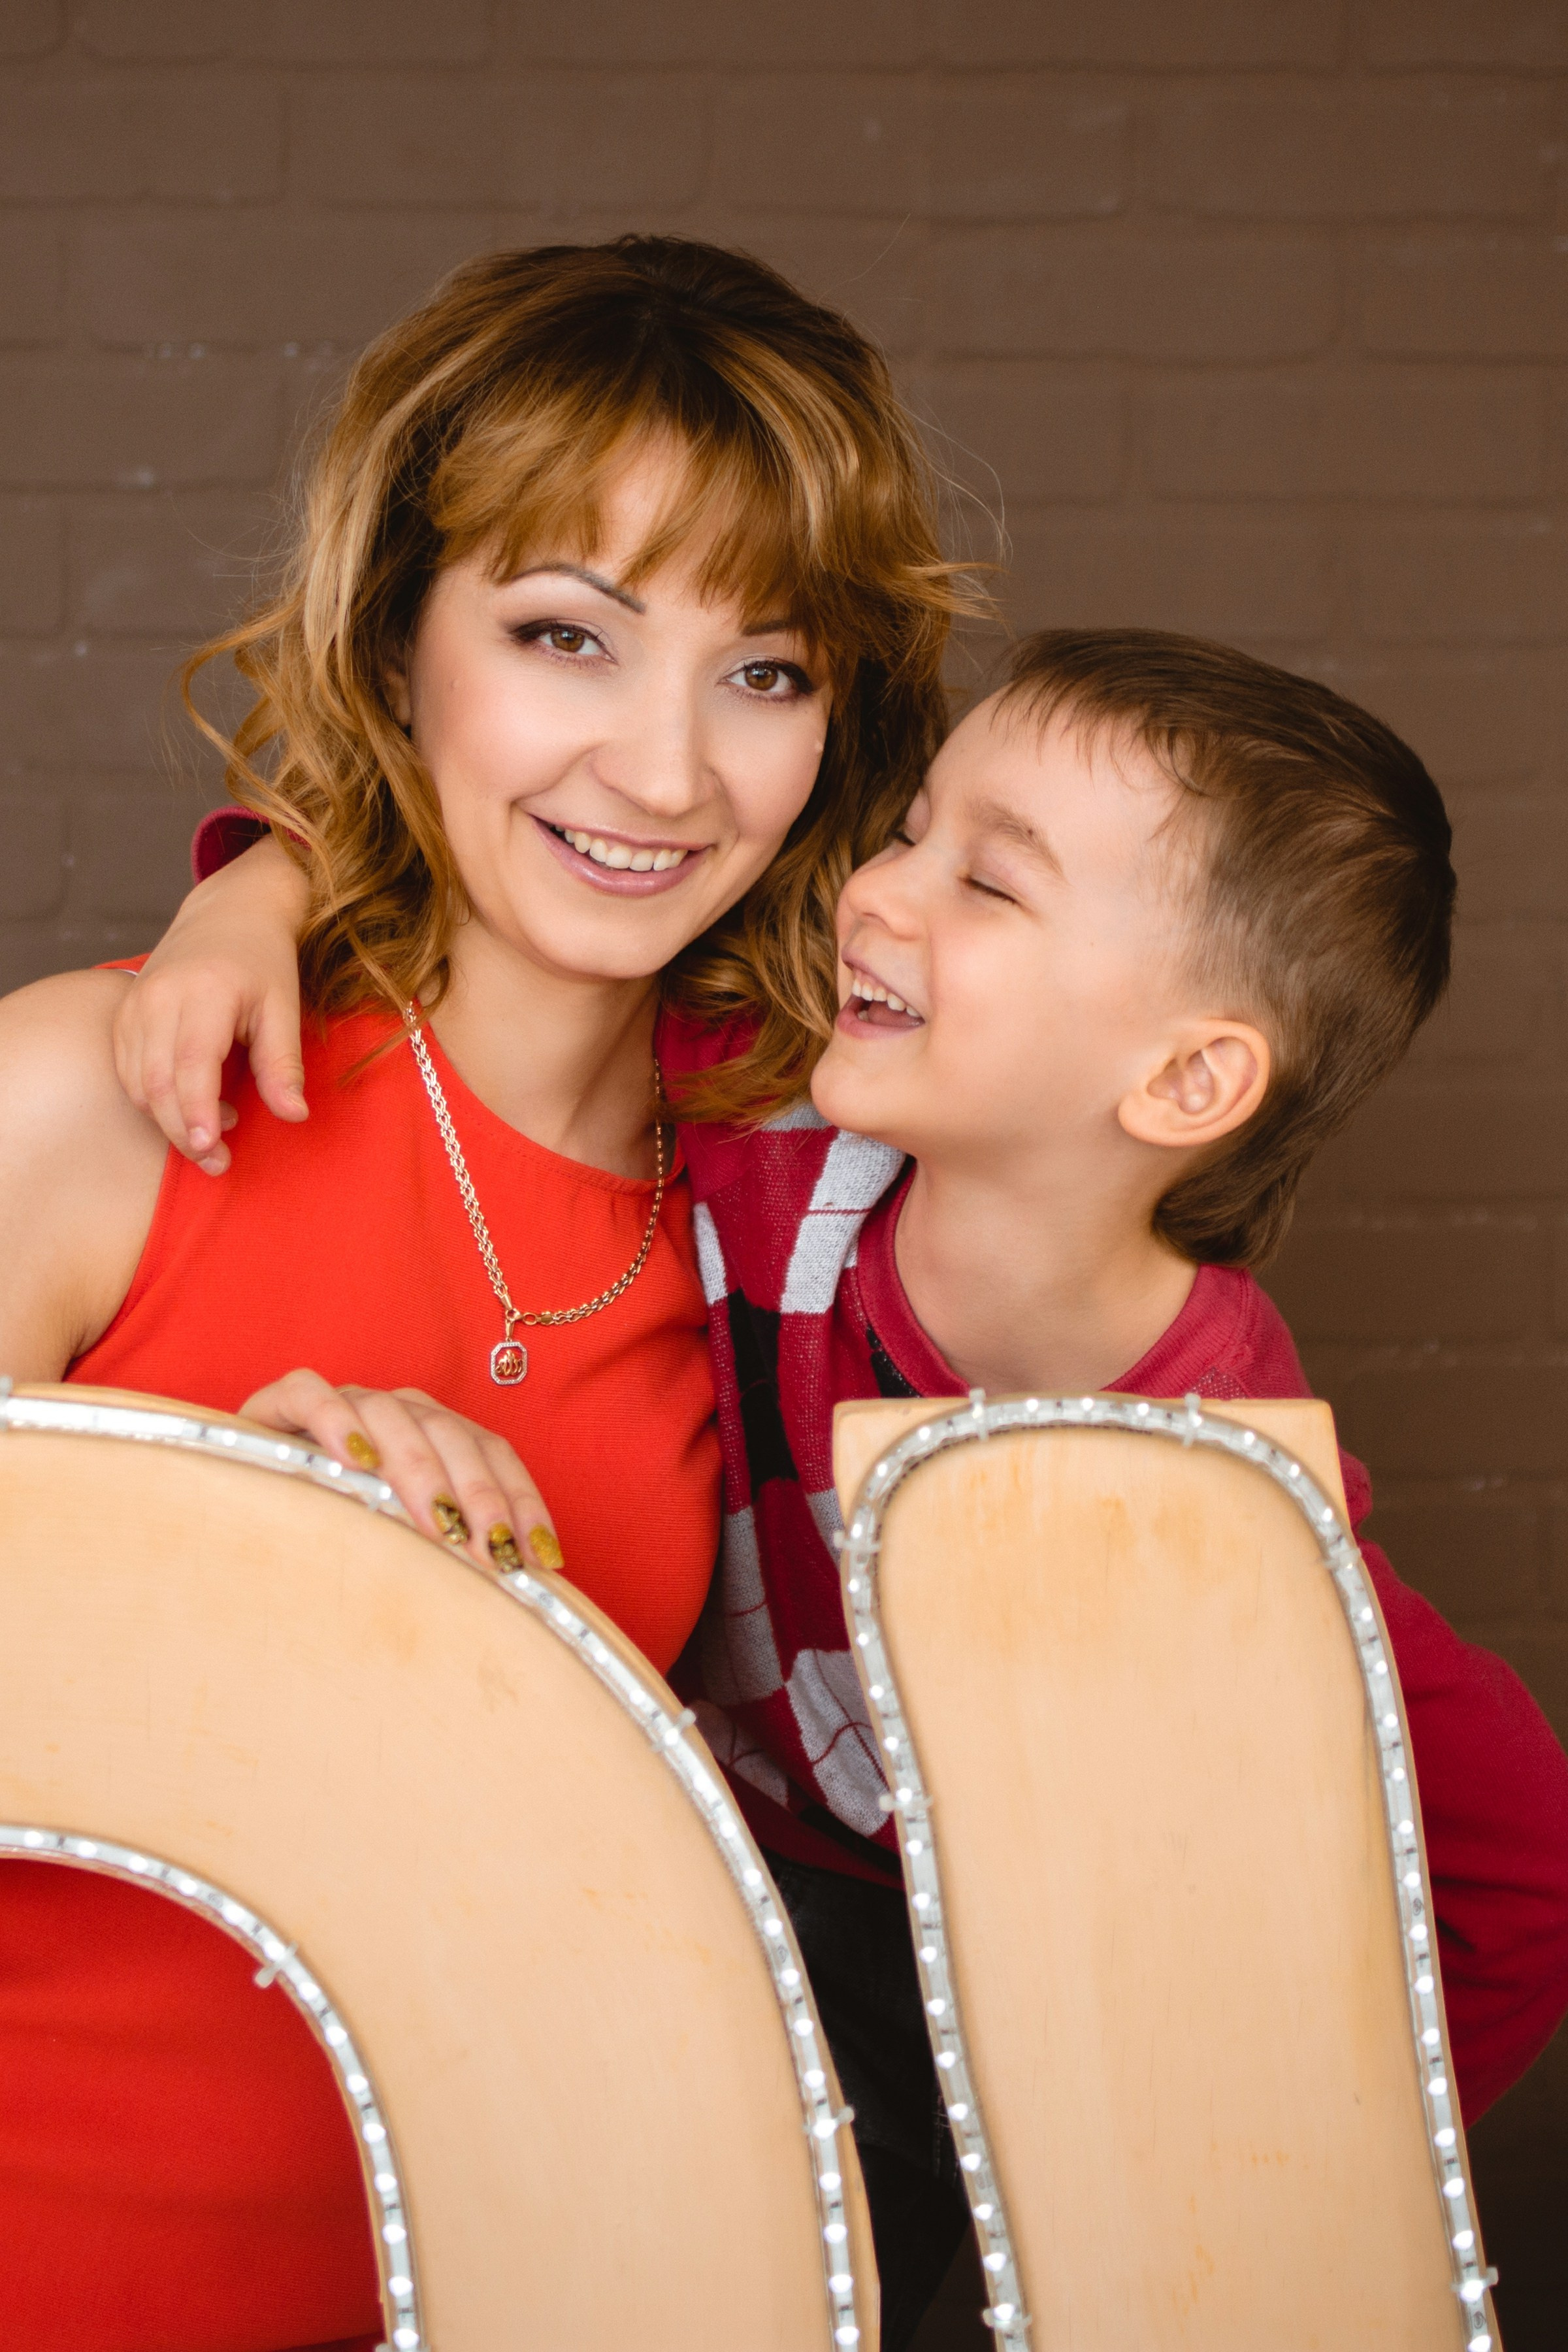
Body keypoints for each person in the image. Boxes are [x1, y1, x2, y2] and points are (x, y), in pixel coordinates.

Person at [129, 629, 1568, 2349]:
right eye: (909, 831)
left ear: (1188, 1079)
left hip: (970, 1993)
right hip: (694, 1888)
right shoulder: (766, 1120)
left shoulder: (1223, 1488)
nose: (873, 896)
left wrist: (1281, 2179)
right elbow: (468, 920)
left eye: (990, 884)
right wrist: (239, 909)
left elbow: (1518, 1860)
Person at [0, 235, 975, 2352]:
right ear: (394, 642)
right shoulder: (91, 1096)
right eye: (565, 636)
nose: (664, 774)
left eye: (768, 672)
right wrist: (193, 1545)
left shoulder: (793, 1236)